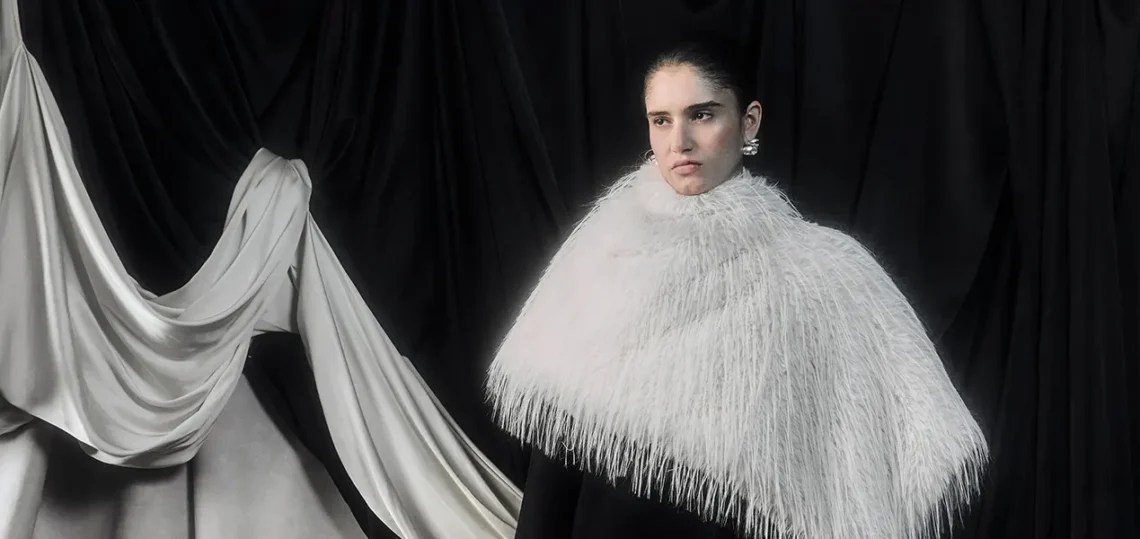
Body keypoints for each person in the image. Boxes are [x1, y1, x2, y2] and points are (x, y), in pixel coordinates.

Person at [485, 37, 989, 539]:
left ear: (749, 122)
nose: (679, 142)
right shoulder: (602, 251)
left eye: (702, 115)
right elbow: (555, 459)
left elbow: (845, 455)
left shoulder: (822, 272)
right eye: (661, 120)